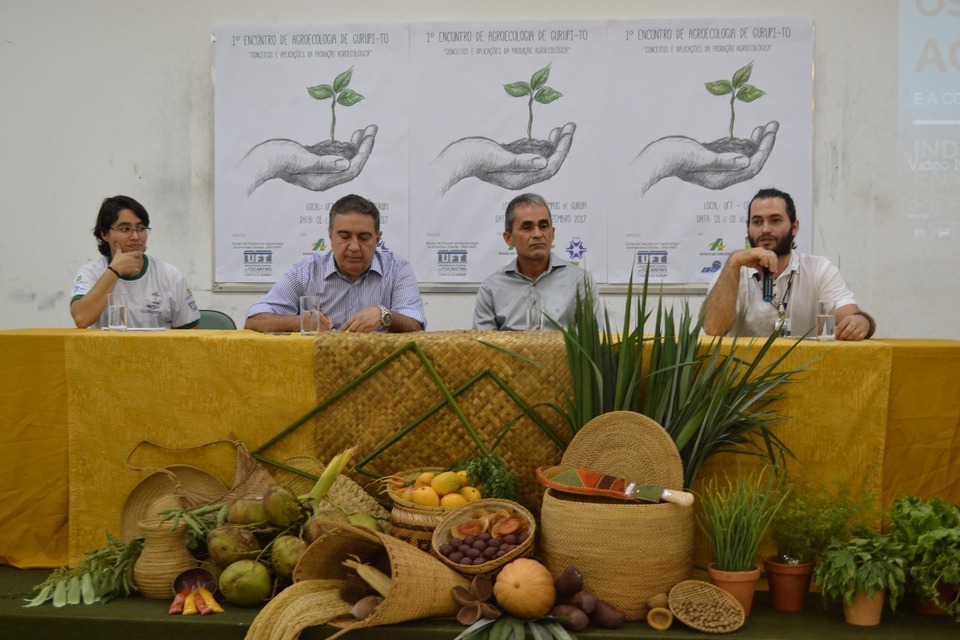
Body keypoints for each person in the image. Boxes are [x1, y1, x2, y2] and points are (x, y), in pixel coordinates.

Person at [703, 187, 875, 340]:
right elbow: (713, 329)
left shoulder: (819, 270)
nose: (765, 229)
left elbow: (851, 316)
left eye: (775, 220)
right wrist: (734, 262)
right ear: (748, 228)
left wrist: (861, 322)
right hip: (745, 374)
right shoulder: (731, 272)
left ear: (794, 227)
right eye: (757, 222)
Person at [244, 193, 426, 333]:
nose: (354, 247)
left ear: (378, 239)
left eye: (364, 237)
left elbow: (416, 326)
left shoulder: (398, 270)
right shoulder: (305, 271)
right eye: (345, 236)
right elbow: (254, 321)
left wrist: (385, 315)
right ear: (330, 236)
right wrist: (300, 321)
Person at [473, 192, 599, 331]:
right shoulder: (491, 288)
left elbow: (592, 342)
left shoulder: (579, 281)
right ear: (509, 238)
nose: (538, 234)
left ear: (552, 233)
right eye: (527, 227)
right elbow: (483, 349)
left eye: (543, 226)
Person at [70, 195, 200, 329]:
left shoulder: (170, 275)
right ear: (104, 234)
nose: (135, 237)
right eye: (125, 229)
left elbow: (192, 336)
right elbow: (81, 319)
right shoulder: (91, 272)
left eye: (141, 228)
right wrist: (114, 270)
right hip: (107, 350)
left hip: (156, 350)